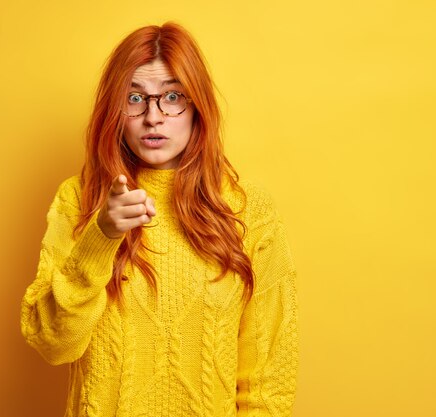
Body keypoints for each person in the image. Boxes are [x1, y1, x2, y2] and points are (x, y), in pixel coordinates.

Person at [20, 22, 298, 416]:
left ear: (198, 106)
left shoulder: (248, 209)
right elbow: (53, 343)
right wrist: (102, 235)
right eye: (135, 98)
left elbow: (269, 377)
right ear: (115, 110)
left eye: (172, 96)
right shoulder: (79, 199)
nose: (154, 116)